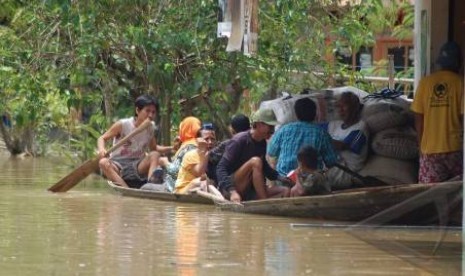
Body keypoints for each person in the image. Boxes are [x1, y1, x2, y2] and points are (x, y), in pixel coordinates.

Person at [411, 41, 464, 183]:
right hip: (455, 149)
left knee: (428, 194)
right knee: (456, 195)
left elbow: (418, 118)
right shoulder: (461, 83)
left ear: (440, 62)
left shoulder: (425, 83)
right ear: (459, 62)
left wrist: (421, 145)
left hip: (430, 150)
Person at [216, 108, 291, 203]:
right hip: (232, 189)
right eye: (270, 126)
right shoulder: (239, 140)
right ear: (259, 124)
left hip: (249, 190)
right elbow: (220, 168)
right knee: (255, 161)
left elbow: (264, 167)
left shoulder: (262, 142)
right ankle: (264, 202)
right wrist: (232, 192)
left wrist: (280, 177)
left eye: (273, 127)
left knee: (285, 191)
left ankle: (266, 206)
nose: (272, 131)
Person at [97, 95, 171, 188]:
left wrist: (172, 148)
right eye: (147, 111)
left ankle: (151, 186)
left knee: (155, 154)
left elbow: (154, 148)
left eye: (153, 112)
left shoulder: (150, 128)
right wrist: (101, 149)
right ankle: (125, 189)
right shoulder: (123, 124)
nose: (151, 115)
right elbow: (102, 138)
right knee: (103, 162)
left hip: (137, 166)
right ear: (137, 111)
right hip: (118, 165)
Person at [267, 97, 339, 178]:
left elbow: (271, 152)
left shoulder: (284, 130)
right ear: (315, 113)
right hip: (310, 182)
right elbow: (331, 161)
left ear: (296, 114)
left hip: (284, 179)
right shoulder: (321, 133)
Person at [320, 91, 369, 189]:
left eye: (344, 106)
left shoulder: (360, 128)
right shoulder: (335, 124)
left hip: (345, 172)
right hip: (331, 166)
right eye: (338, 106)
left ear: (355, 108)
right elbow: (313, 128)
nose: (340, 110)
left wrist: (318, 139)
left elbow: (342, 145)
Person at [206, 113, 251, 184]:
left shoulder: (230, 143)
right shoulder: (254, 141)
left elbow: (210, 157)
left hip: (232, 180)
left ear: (233, 129)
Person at [162, 116, 202, 192]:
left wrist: (165, 163)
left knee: (146, 187)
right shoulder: (197, 144)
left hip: (175, 188)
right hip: (188, 186)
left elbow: (175, 172)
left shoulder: (189, 147)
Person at [174, 124, 217, 194]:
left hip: (202, 190)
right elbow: (200, 174)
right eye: (206, 139)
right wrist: (204, 153)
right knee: (202, 182)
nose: (210, 142)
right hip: (183, 192)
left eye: (212, 139)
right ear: (198, 141)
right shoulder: (191, 155)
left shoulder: (215, 156)